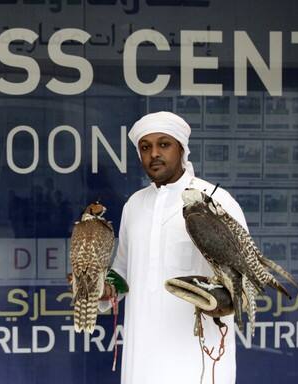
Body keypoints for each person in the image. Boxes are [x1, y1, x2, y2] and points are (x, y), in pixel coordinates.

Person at [100, 111, 248, 384]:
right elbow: (121, 270)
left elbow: (244, 278)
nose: (154, 153)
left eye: (163, 144)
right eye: (145, 147)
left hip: (197, 348)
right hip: (143, 346)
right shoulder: (134, 205)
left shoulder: (215, 200)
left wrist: (227, 299)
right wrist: (100, 288)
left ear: (182, 148)